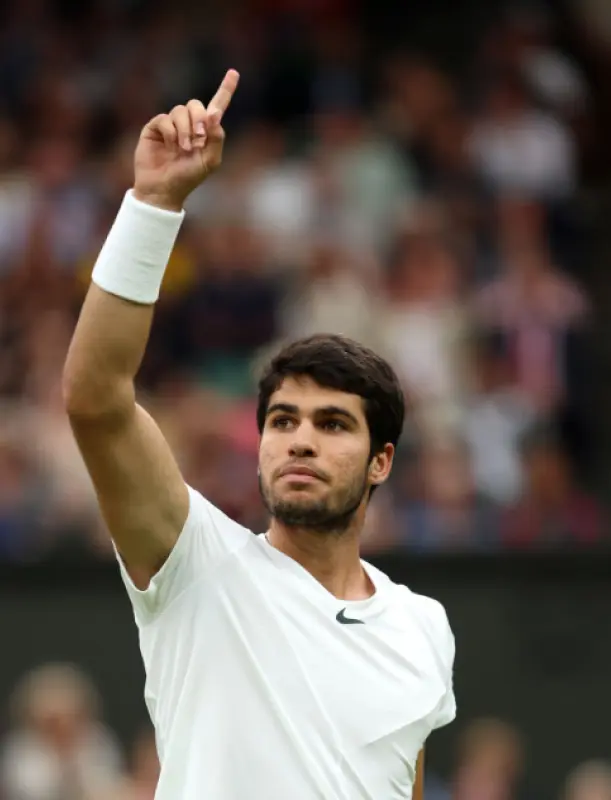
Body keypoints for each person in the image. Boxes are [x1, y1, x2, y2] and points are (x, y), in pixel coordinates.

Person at [62, 70, 455, 799]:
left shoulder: (423, 624)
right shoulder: (195, 563)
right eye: (282, 421)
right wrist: (154, 204)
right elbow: (96, 399)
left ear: (382, 461)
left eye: (332, 424)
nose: (300, 440)